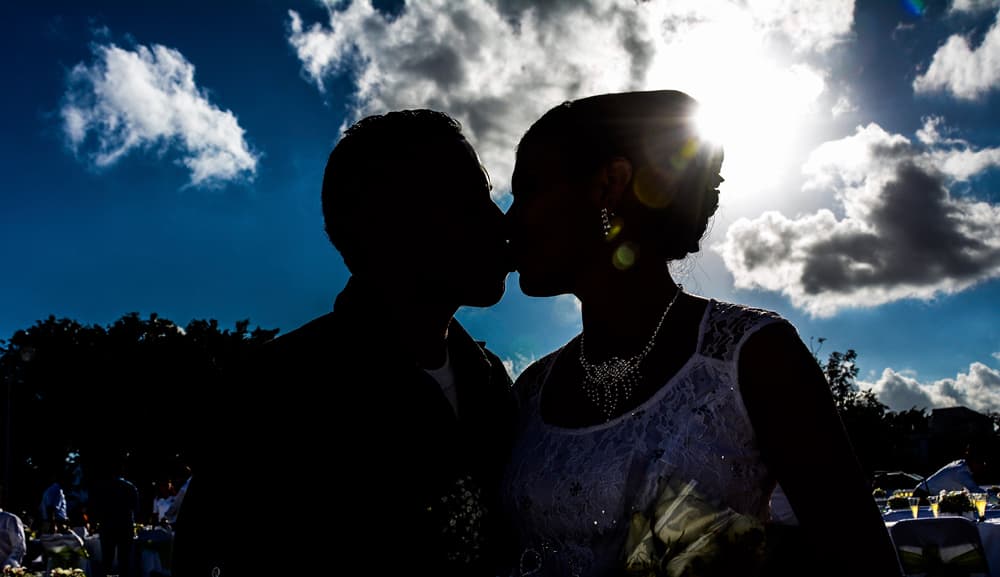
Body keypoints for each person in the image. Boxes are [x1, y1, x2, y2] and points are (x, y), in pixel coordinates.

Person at [502, 90, 902, 577]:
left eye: (526, 191)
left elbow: (864, 561)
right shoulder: (531, 390)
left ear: (610, 184)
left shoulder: (755, 357)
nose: (510, 219)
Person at [172, 109, 517, 576]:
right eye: (471, 203)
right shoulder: (276, 390)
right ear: (397, 226)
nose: (500, 224)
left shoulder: (493, 383)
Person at [90, 458, 139, 577]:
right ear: (121, 471)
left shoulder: (101, 487)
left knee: (107, 558)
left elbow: (96, 507)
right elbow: (135, 506)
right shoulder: (129, 487)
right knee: (125, 560)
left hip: (107, 526)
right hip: (125, 525)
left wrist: (97, 521)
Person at [915, 445, 987, 496]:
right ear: (973, 460)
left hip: (925, 493)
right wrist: (996, 497)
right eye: (981, 462)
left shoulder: (961, 464)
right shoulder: (961, 472)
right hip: (923, 496)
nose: (983, 465)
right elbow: (976, 492)